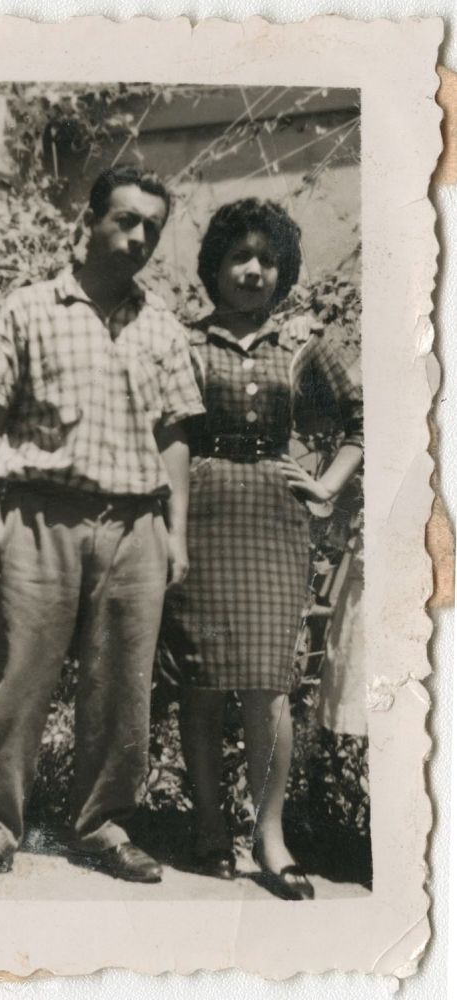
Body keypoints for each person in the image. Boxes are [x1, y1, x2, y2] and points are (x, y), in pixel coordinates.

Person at [0, 166, 205, 883]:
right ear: (88, 223)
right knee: (19, 676)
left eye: (152, 228)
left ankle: (101, 824)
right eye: (125, 220)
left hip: (135, 525)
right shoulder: (29, 308)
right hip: (40, 517)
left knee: (122, 687)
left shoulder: (162, 326)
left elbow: (174, 437)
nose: (139, 237)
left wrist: (175, 533)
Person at [166, 198, 363, 900]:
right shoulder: (184, 342)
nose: (253, 270)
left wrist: (325, 486)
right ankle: (209, 828)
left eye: (267, 259)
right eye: (239, 256)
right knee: (201, 679)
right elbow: (166, 434)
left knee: (268, 684)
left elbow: (361, 419)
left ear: (283, 271)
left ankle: (269, 836)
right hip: (201, 514)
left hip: (275, 521)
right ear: (214, 266)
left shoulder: (302, 342)